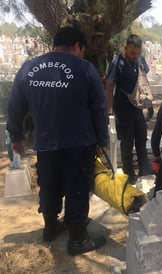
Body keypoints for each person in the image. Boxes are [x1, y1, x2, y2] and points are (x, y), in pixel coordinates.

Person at [7, 27, 108, 256]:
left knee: (49, 185)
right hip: (78, 143)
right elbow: (99, 109)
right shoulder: (85, 69)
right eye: (82, 50)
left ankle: (50, 228)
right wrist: (101, 140)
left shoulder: (29, 69)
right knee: (77, 189)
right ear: (76, 47)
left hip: (45, 143)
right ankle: (77, 239)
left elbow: (15, 105)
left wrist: (16, 136)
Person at [106, 34, 153, 181]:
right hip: (123, 107)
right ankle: (129, 172)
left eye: (138, 53)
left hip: (138, 106)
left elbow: (143, 79)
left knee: (141, 137)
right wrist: (109, 110)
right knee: (127, 141)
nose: (135, 56)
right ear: (125, 47)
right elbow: (109, 87)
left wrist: (149, 104)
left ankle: (144, 168)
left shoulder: (140, 60)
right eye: (132, 53)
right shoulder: (117, 62)